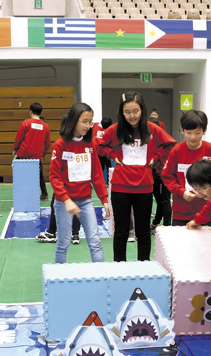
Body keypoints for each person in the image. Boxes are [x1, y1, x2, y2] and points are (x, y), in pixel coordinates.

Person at [96, 91, 175, 262]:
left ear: (142, 110)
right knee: (121, 231)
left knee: (143, 231)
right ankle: (119, 267)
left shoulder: (152, 129)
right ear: (122, 112)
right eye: (127, 112)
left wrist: (155, 158)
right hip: (120, 187)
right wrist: (113, 155)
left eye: (136, 111)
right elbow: (98, 145)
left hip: (144, 187)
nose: (132, 116)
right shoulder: (115, 130)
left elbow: (170, 144)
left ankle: (143, 267)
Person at [49, 102, 111, 263]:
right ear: (74, 120)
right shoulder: (60, 145)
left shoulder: (90, 145)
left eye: (90, 122)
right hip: (64, 203)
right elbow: (54, 177)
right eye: (84, 121)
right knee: (63, 243)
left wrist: (104, 200)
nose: (88, 125)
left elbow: (96, 174)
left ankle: (101, 279)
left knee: (95, 242)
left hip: (86, 201)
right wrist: (66, 199)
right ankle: (58, 279)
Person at [162, 110, 211, 226]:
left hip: (205, 212)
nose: (193, 137)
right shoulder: (176, 151)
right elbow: (167, 176)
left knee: (205, 244)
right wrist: (181, 192)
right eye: (188, 132)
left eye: (197, 133)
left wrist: (209, 192)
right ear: (182, 130)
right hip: (181, 212)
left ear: (204, 131)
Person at [37, 114, 81, 244]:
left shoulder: (61, 143)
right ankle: (75, 234)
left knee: (55, 205)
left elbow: (55, 169)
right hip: (77, 182)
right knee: (76, 205)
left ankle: (52, 232)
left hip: (65, 182)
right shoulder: (80, 143)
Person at [14, 103, 51, 201]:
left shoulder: (25, 123)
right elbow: (47, 143)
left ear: (30, 112)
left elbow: (19, 138)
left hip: (23, 154)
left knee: (20, 174)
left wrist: (16, 149)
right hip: (37, 156)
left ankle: (22, 195)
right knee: (40, 175)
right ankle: (44, 194)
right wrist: (43, 154)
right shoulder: (45, 126)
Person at [150, 115, 171, 232]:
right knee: (159, 200)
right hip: (156, 173)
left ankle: (167, 226)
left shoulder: (165, 143)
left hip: (163, 175)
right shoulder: (154, 140)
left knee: (164, 200)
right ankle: (156, 222)